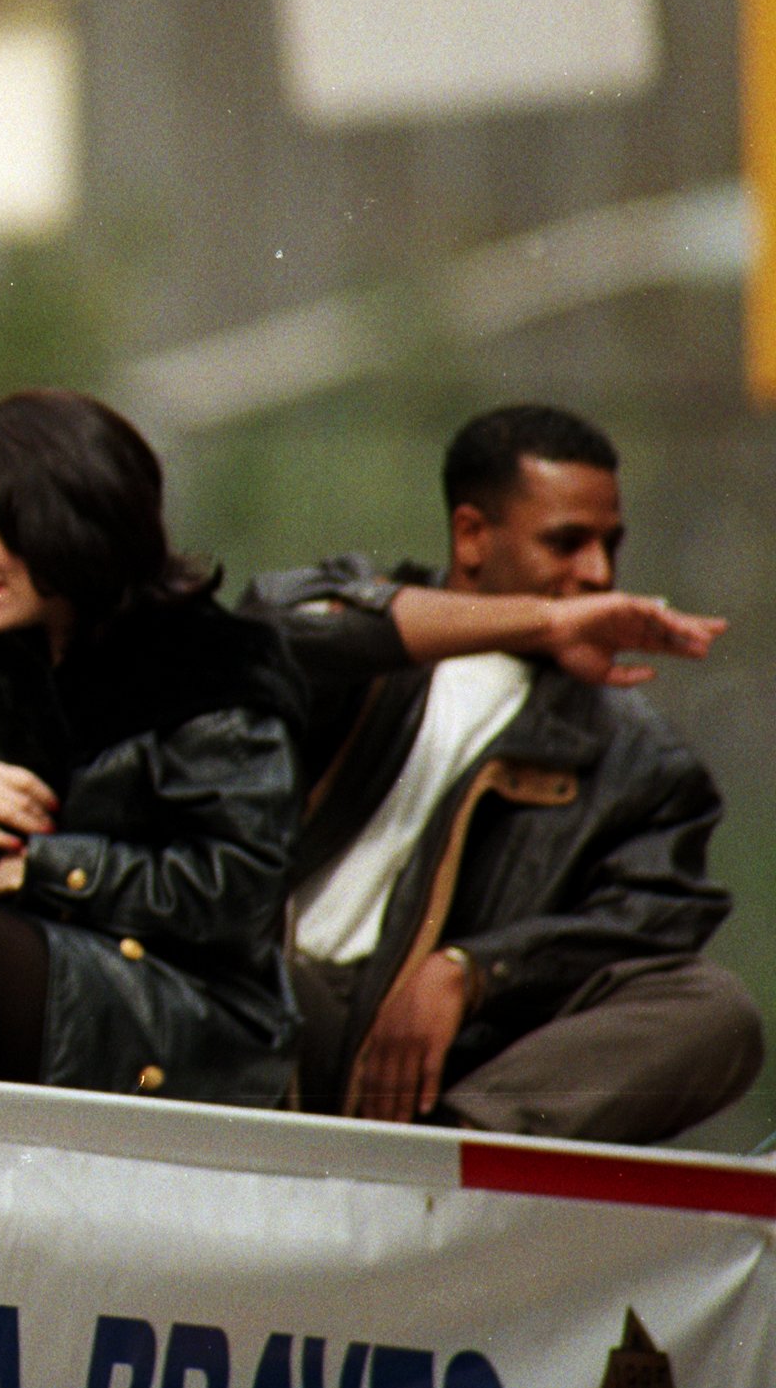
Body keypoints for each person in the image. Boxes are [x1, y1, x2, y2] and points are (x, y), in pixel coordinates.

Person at [242, 405, 761, 1141]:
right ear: (472, 536)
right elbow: (270, 625)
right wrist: (543, 621)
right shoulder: (372, 631)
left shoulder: (642, 759)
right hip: (279, 1009)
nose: (599, 573)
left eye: (611, 545)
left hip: (452, 1069)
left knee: (720, 1013)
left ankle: (462, 1164)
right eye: (568, 543)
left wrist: (473, 970)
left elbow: (653, 922)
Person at [0, 391, 301, 1105]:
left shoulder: (210, 666)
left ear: (69, 520)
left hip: (182, 1015)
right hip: (32, 984)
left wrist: (34, 870)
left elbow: (232, 896)